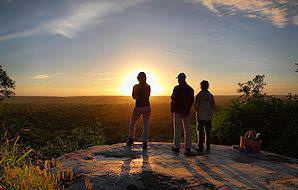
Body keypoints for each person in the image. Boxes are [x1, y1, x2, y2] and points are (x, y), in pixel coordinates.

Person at [171, 73, 194, 155]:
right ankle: (188, 147)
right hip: (186, 111)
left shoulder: (176, 88)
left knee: (177, 129)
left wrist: (172, 109)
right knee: (187, 129)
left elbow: (173, 99)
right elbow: (191, 101)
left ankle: (176, 147)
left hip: (177, 111)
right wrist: (188, 108)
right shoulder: (190, 89)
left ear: (180, 79)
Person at [127, 72, 151, 151]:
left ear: (138, 78)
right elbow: (148, 96)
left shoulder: (136, 86)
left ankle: (131, 139)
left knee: (132, 123)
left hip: (138, 107)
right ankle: (144, 143)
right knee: (145, 125)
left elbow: (134, 96)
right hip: (147, 107)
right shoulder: (148, 86)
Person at [194, 80, 215, 153]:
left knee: (201, 133)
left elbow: (196, 107)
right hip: (208, 117)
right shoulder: (210, 95)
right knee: (208, 133)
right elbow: (213, 106)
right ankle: (208, 147)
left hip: (200, 117)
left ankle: (200, 148)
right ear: (208, 86)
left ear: (201, 86)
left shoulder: (199, 95)